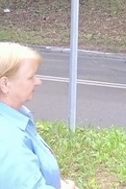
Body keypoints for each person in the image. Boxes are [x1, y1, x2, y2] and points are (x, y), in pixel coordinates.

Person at [0, 42, 76, 189]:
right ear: (4, 84)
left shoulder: (17, 118)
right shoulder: (6, 138)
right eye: (30, 77)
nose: (38, 82)